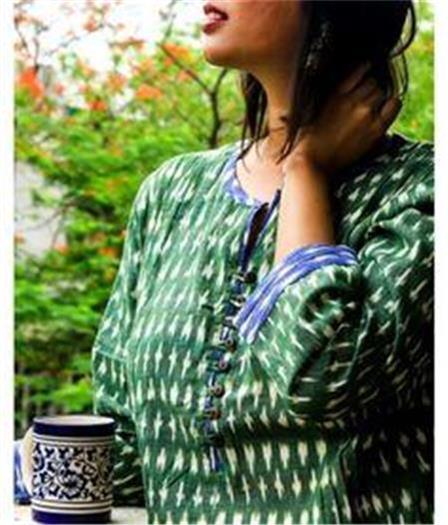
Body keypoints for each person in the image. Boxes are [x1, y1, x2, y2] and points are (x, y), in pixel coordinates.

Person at [15, 0, 434, 523]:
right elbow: (126, 449)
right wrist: (29, 465)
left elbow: (323, 378)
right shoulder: (172, 193)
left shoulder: (419, 193)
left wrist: (304, 169)